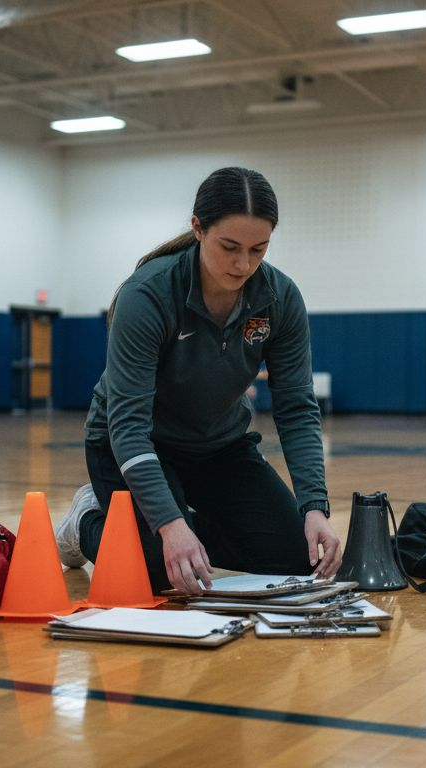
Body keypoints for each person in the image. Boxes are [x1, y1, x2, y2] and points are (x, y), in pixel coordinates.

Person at [55, 167, 341, 596]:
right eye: (229, 247)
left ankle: (177, 523)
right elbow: (128, 427)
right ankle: (86, 521)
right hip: (136, 445)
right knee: (159, 571)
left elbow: (297, 408)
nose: (243, 264)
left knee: (295, 559)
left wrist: (314, 508)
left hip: (218, 446)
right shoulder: (147, 295)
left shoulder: (281, 299)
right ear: (197, 228)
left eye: (258, 249)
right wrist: (170, 527)